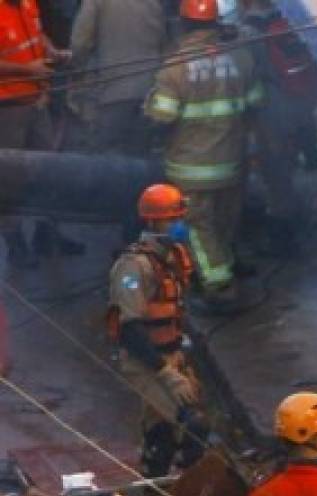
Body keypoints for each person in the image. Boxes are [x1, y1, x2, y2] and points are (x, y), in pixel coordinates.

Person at [144, 0, 263, 306]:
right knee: (224, 221)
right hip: (233, 162)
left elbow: (161, 115)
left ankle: (219, 286)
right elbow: (257, 101)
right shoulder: (240, 56)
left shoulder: (175, 67)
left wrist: (147, 102)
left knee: (198, 226)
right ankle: (225, 267)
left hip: (192, 167)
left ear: (183, 24)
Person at [107, 183, 208, 477]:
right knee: (192, 423)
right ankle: (185, 487)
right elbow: (129, 328)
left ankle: (159, 483)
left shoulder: (173, 256)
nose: (179, 226)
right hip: (146, 360)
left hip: (172, 353)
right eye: (172, 220)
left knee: (161, 427)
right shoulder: (133, 267)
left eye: (180, 218)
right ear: (152, 221)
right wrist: (165, 373)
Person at [0, 0, 84, 269]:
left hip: (36, 100)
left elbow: (37, 35)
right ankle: (16, 245)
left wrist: (52, 52)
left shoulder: (27, 4)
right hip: (8, 106)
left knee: (48, 170)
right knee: (11, 178)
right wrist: (29, 70)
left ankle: (47, 235)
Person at [244, 0, 317, 255]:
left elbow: (249, 80)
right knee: (305, 170)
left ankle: (285, 241)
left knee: (278, 178)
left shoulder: (248, 34)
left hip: (272, 113)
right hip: (305, 107)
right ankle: (310, 226)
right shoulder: (293, 22)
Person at [69, 0, 166, 156]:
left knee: (106, 158)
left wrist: (77, 68)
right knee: (139, 155)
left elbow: (80, 44)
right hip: (148, 93)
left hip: (112, 93)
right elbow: (162, 44)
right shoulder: (153, 3)